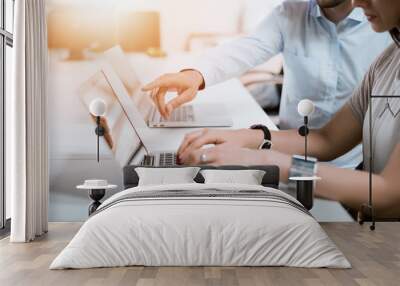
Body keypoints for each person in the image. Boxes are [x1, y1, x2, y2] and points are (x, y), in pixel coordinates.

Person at [175, 0, 400, 218]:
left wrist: (263, 161)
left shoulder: (381, 43)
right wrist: (245, 139)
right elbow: (327, 139)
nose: (358, 1)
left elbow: (388, 193)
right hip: (362, 215)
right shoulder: (388, 61)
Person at [143, 0, 391, 168]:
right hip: (291, 148)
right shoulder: (291, 11)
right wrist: (195, 75)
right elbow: (250, 46)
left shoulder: (383, 26)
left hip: (352, 162)